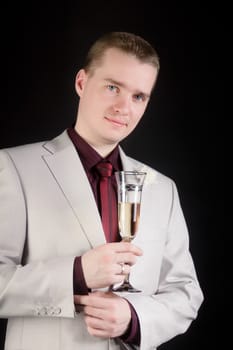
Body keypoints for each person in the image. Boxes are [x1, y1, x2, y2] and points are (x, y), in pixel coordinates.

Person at [0, 31, 203, 350]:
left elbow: (186, 294)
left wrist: (134, 318)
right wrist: (76, 273)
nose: (124, 107)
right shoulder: (12, 166)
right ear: (81, 83)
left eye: (139, 96)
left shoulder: (164, 189)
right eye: (113, 87)